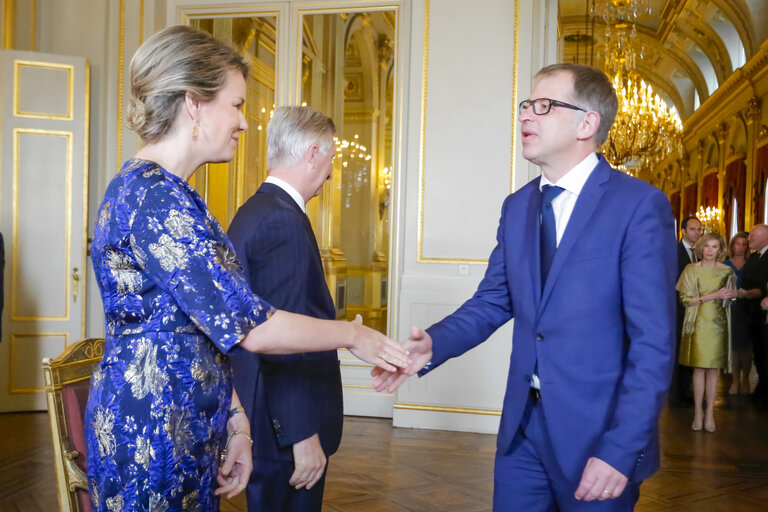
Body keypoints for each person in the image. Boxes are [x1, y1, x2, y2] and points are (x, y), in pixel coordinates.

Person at [84, 26, 409, 512]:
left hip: (184, 425)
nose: (244, 123)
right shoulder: (154, 200)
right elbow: (249, 326)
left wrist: (235, 422)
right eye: (236, 105)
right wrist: (353, 335)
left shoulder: (172, 195)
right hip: (153, 434)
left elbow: (207, 329)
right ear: (194, 103)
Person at [374, 63, 676, 510]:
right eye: (525, 106)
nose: (525, 117)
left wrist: (620, 449)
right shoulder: (517, 207)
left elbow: (653, 344)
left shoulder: (638, 206)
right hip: (522, 432)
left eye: (544, 106)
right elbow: (493, 301)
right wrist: (432, 345)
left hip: (598, 437)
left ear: (587, 123)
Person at [227, 106, 342, 511]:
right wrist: (302, 434)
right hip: (283, 430)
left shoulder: (253, 211)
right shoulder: (283, 222)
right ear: (312, 153)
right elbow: (281, 339)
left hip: (260, 412)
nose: (331, 171)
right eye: (331, 158)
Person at [676, 233, 736, 432]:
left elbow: (729, 299)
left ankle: (710, 413)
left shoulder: (727, 271)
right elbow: (685, 300)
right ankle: (698, 413)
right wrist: (713, 295)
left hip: (718, 325)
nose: (710, 250)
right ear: (701, 248)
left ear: (720, 250)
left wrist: (732, 295)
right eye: (707, 246)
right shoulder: (691, 270)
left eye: (714, 247)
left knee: (714, 370)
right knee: (699, 369)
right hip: (697, 324)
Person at [670, 216, 702, 405]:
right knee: (678, 350)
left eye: (699, 229)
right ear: (683, 231)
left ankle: (687, 391)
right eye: (693, 229)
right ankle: (676, 393)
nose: (697, 233)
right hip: (677, 308)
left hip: (696, 309)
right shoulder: (673, 251)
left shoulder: (702, 252)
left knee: (691, 350)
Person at [736, 224, 768, 404]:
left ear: (765, 236)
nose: (749, 239)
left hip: (764, 313)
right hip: (752, 313)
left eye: (752, 235)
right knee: (759, 353)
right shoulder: (755, 256)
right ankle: (762, 389)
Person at [724, 232, 751, 394]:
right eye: (737, 244)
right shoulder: (725, 264)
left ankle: (746, 378)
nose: (740, 247)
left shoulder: (751, 263)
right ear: (732, 246)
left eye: (743, 244)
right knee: (733, 346)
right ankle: (735, 380)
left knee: (746, 347)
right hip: (731, 308)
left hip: (748, 307)